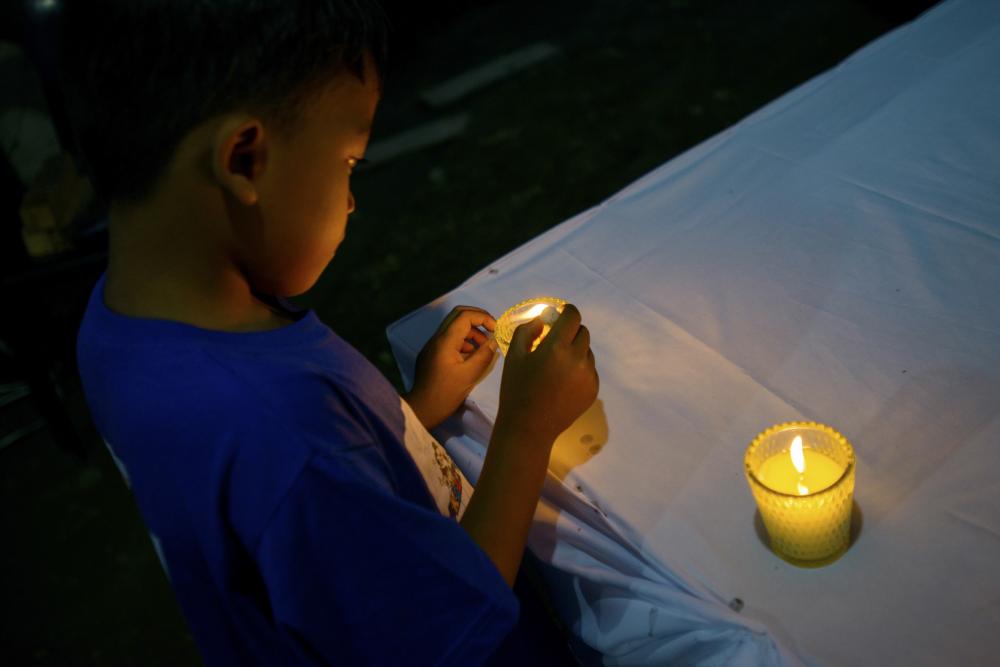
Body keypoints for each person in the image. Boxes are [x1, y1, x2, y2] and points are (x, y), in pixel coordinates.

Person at [62, 1, 599, 664]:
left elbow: (324, 521)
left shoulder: (118, 325)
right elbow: (441, 632)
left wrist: (415, 410)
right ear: (245, 157)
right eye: (348, 163)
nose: (350, 198)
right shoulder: (283, 431)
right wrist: (525, 425)